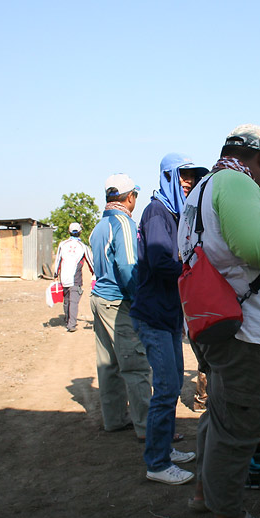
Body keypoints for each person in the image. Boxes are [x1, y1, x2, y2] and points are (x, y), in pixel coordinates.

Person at [178, 124, 260, 518]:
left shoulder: (200, 190)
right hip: (251, 332)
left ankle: (203, 491)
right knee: (242, 423)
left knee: (222, 413)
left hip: (219, 323)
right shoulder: (236, 182)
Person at [130, 153, 208, 485]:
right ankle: (158, 463)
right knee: (165, 388)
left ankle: (165, 447)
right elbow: (163, 262)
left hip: (168, 316)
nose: (188, 182)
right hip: (154, 315)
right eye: (182, 176)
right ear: (166, 177)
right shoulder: (157, 213)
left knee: (174, 384)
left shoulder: (176, 214)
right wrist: (195, 269)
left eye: (192, 176)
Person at [88, 174, 152, 440]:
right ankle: (148, 428)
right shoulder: (123, 223)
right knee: (136, 367)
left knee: (108, 365)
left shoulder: (99, 225)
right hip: (118, 302)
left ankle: (114, 419)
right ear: (129, 197)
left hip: (99, 298)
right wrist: (141, 301)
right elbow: (128, 268)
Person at [53, 222, 94, 332]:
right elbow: (91, 262)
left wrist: (56, 274)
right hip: (75, 278)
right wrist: (95, 274)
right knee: (74, 301)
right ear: (80, 232)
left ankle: (67, 321)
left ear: (69, 231)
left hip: (64, 277)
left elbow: (57, 260)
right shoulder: (83, 247)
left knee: (66, 300)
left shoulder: (62, 244)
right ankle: (71, 325)